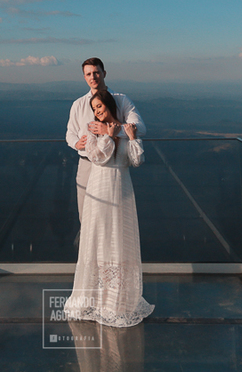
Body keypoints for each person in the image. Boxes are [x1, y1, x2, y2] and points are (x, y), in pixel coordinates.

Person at [63, 90, 154, 328]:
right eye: (94, 109)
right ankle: (96, 298)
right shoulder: (93, 129)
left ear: (110, 106)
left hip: (122, 189)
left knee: (119, 240)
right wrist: (108, 136)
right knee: (99, 240)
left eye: (100, 107)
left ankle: (117, 301)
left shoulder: (124, 129)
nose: (97, 112)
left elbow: (136, 161)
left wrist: (131, 138)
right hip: (100, 189)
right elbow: (97, 158)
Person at [66, 58, 145, 220]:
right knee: (86, 216)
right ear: (84, 77)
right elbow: (70, 133)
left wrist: (111, 131)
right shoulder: (78, 104)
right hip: (86, 165)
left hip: (113, 166)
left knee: (113, 217)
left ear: (104, 74)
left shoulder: (121, 99)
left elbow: (140, 128)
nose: (93, 77)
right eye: (88, 74)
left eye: (96, 72)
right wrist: (75, 143)